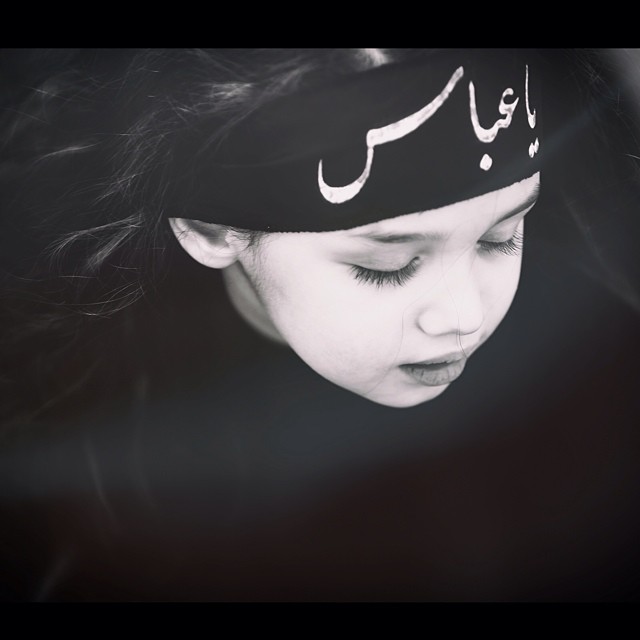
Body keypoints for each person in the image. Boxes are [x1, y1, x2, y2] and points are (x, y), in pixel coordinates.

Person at [0, 49, 639, 601]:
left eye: (501, 237)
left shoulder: (594, 374)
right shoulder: (83, 450)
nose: (466, 316)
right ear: (210, 229)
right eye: (388, 267)